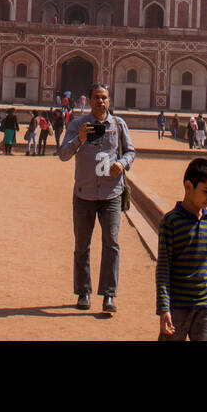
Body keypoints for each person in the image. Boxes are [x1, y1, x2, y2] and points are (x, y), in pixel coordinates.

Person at [59, 83, 136, 314]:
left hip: (111, 193)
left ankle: (109, 295)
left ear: (109, 101)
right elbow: (63, 154)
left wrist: (121, 164)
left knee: (111, 244)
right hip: (84, 194)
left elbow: (131, 151)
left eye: (104, 98)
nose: (100, 102)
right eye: (96, 98)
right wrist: (80, 139)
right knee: (82, 245)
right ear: (89, 100)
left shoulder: (119, 125)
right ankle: (84, 292)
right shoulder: (77, 125)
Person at [157, 157, 207, 341]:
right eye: (206, 191)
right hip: (178, 304)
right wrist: (164, 308)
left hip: (206, 303)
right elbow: (163, 268)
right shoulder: (171, 221)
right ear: (188, 186)